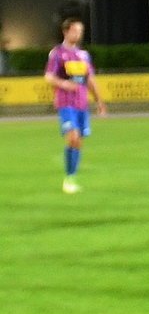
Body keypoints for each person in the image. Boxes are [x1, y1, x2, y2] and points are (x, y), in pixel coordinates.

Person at [44, 15, 106, 194]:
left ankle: (72, 178)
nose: (78, 34)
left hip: (81, 103)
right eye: (75, 30)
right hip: (66, 103)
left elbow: (90, 79)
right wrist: (63, 84)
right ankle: (68, 180)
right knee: (73, 136)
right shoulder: (57, 53)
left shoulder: (83, 55)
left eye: (80, 31)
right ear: (66, 31)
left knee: (77, 142)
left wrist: (99, 101)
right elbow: (48, 76)